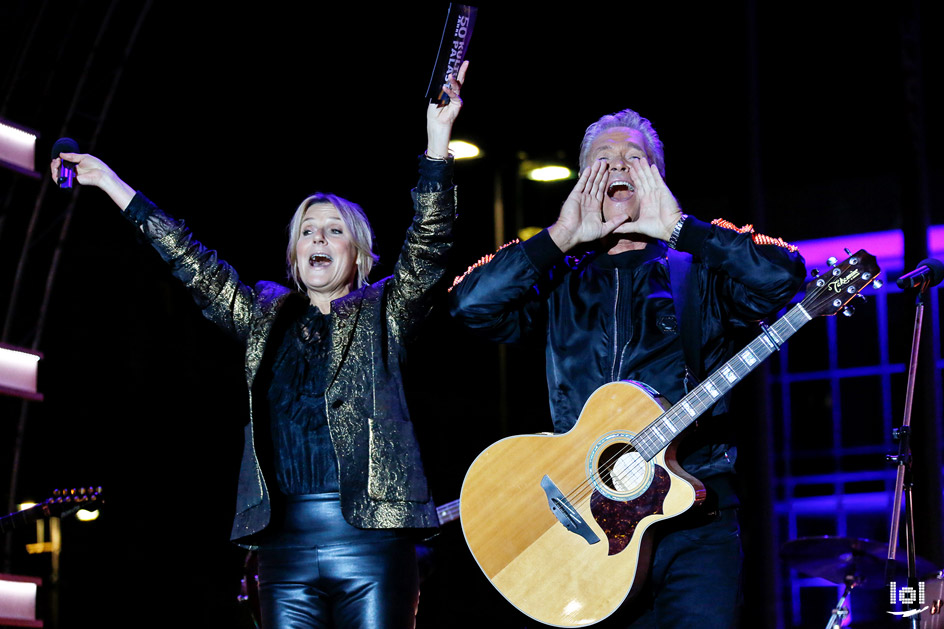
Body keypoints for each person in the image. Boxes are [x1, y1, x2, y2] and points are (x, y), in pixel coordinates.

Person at [51, 61, 469, 629]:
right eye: (307, 231)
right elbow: (190, 262)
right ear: (295, 256)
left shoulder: (382, 311)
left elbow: (430, 243)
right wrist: (109, 184)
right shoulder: (265, 314)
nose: (318, 237)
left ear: (361, 257)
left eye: (334, 230)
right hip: (283, 551)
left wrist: (438, 143)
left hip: (372, 544)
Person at [448, 108, 806, 628]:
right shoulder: (561, 279)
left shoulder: (698, 270)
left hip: (695, 516)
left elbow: (783, 278)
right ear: (583, 181)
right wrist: (561, 235)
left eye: (635, 159)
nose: (618, 164)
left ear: (656, 178)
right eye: (603, 159)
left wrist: (682, 230)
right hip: (589, 529)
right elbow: (468, 306)